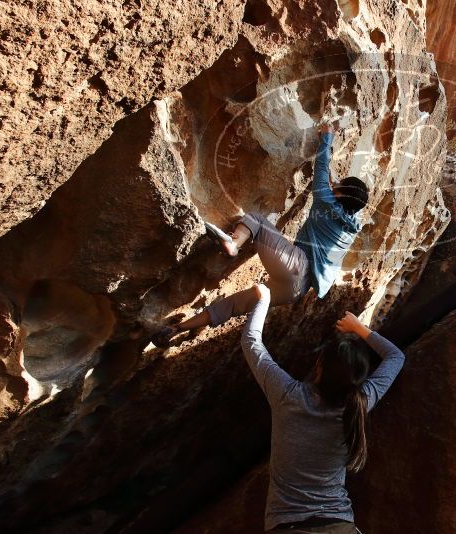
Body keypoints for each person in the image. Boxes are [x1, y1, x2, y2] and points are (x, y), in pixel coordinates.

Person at [152, 124, 370, 347]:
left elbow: (322, 168)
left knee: (257, 220)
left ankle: (233, 244)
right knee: (235, 305)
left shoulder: (326, 201)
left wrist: (327, 139)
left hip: (296, 265)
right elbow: (349, 198)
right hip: (296, 291)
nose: (333, 186)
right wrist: (338, 187)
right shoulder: (351, 227)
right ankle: (176, 329)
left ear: (339, 194)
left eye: (338, 187)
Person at [244, 283, 405, 533]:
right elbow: (396, 357)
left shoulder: (288, 395)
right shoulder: (359, 403)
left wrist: (263, 298)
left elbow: (252, 342)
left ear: (319, 366)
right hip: (339, 525)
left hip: (290, 525)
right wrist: (360, 329)